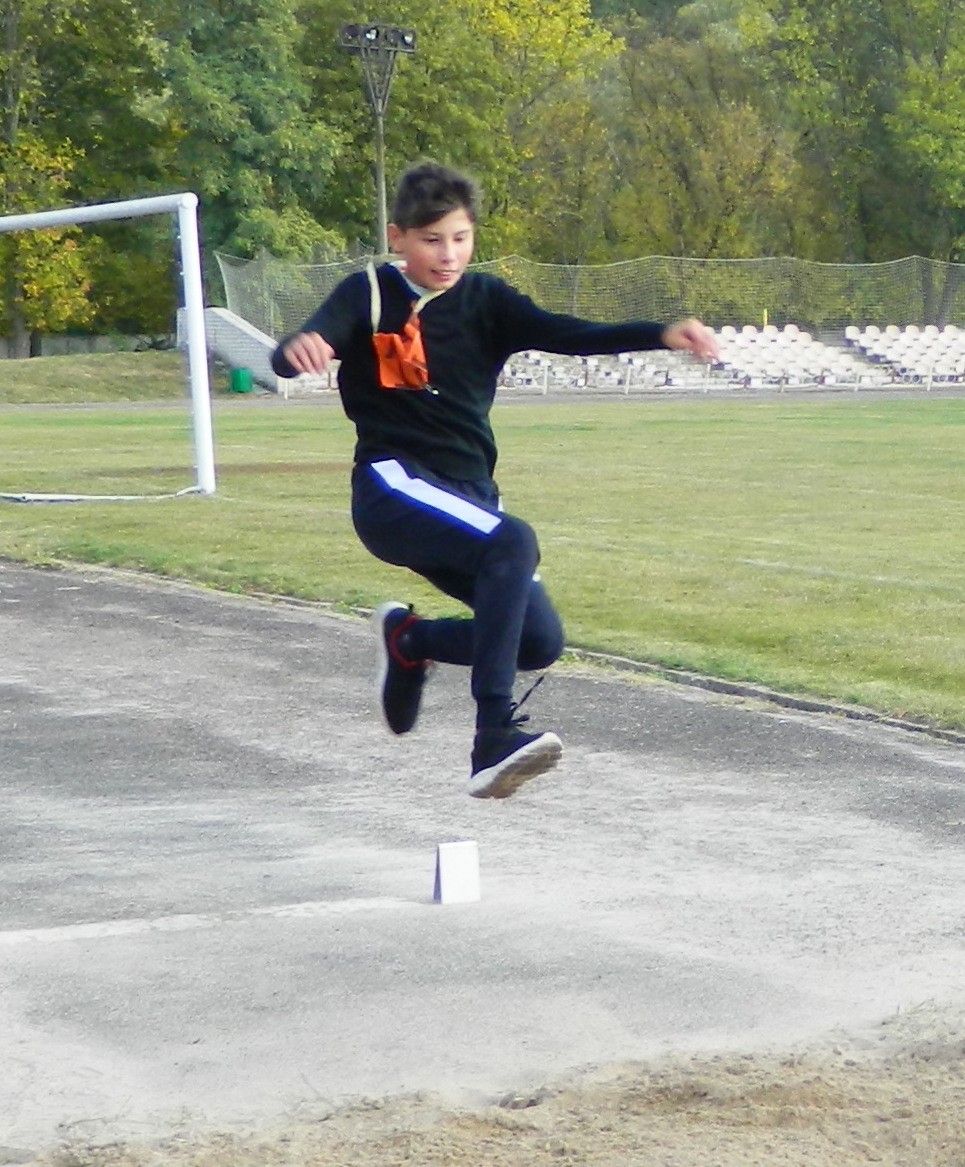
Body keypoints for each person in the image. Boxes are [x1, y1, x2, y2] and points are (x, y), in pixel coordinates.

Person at [276, 162, 724, 798]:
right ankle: (492, 738)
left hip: (465, 500)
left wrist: (660, 334)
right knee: (514, 540)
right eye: (432, 240)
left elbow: (570, 335)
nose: (448, 254)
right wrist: (299, 348)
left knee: (539, 640)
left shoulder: (488, 301)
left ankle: (410, 641)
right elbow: (298, 345)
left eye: (460, 238)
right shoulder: (368, 295)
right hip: (392, 488)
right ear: (397, 236)